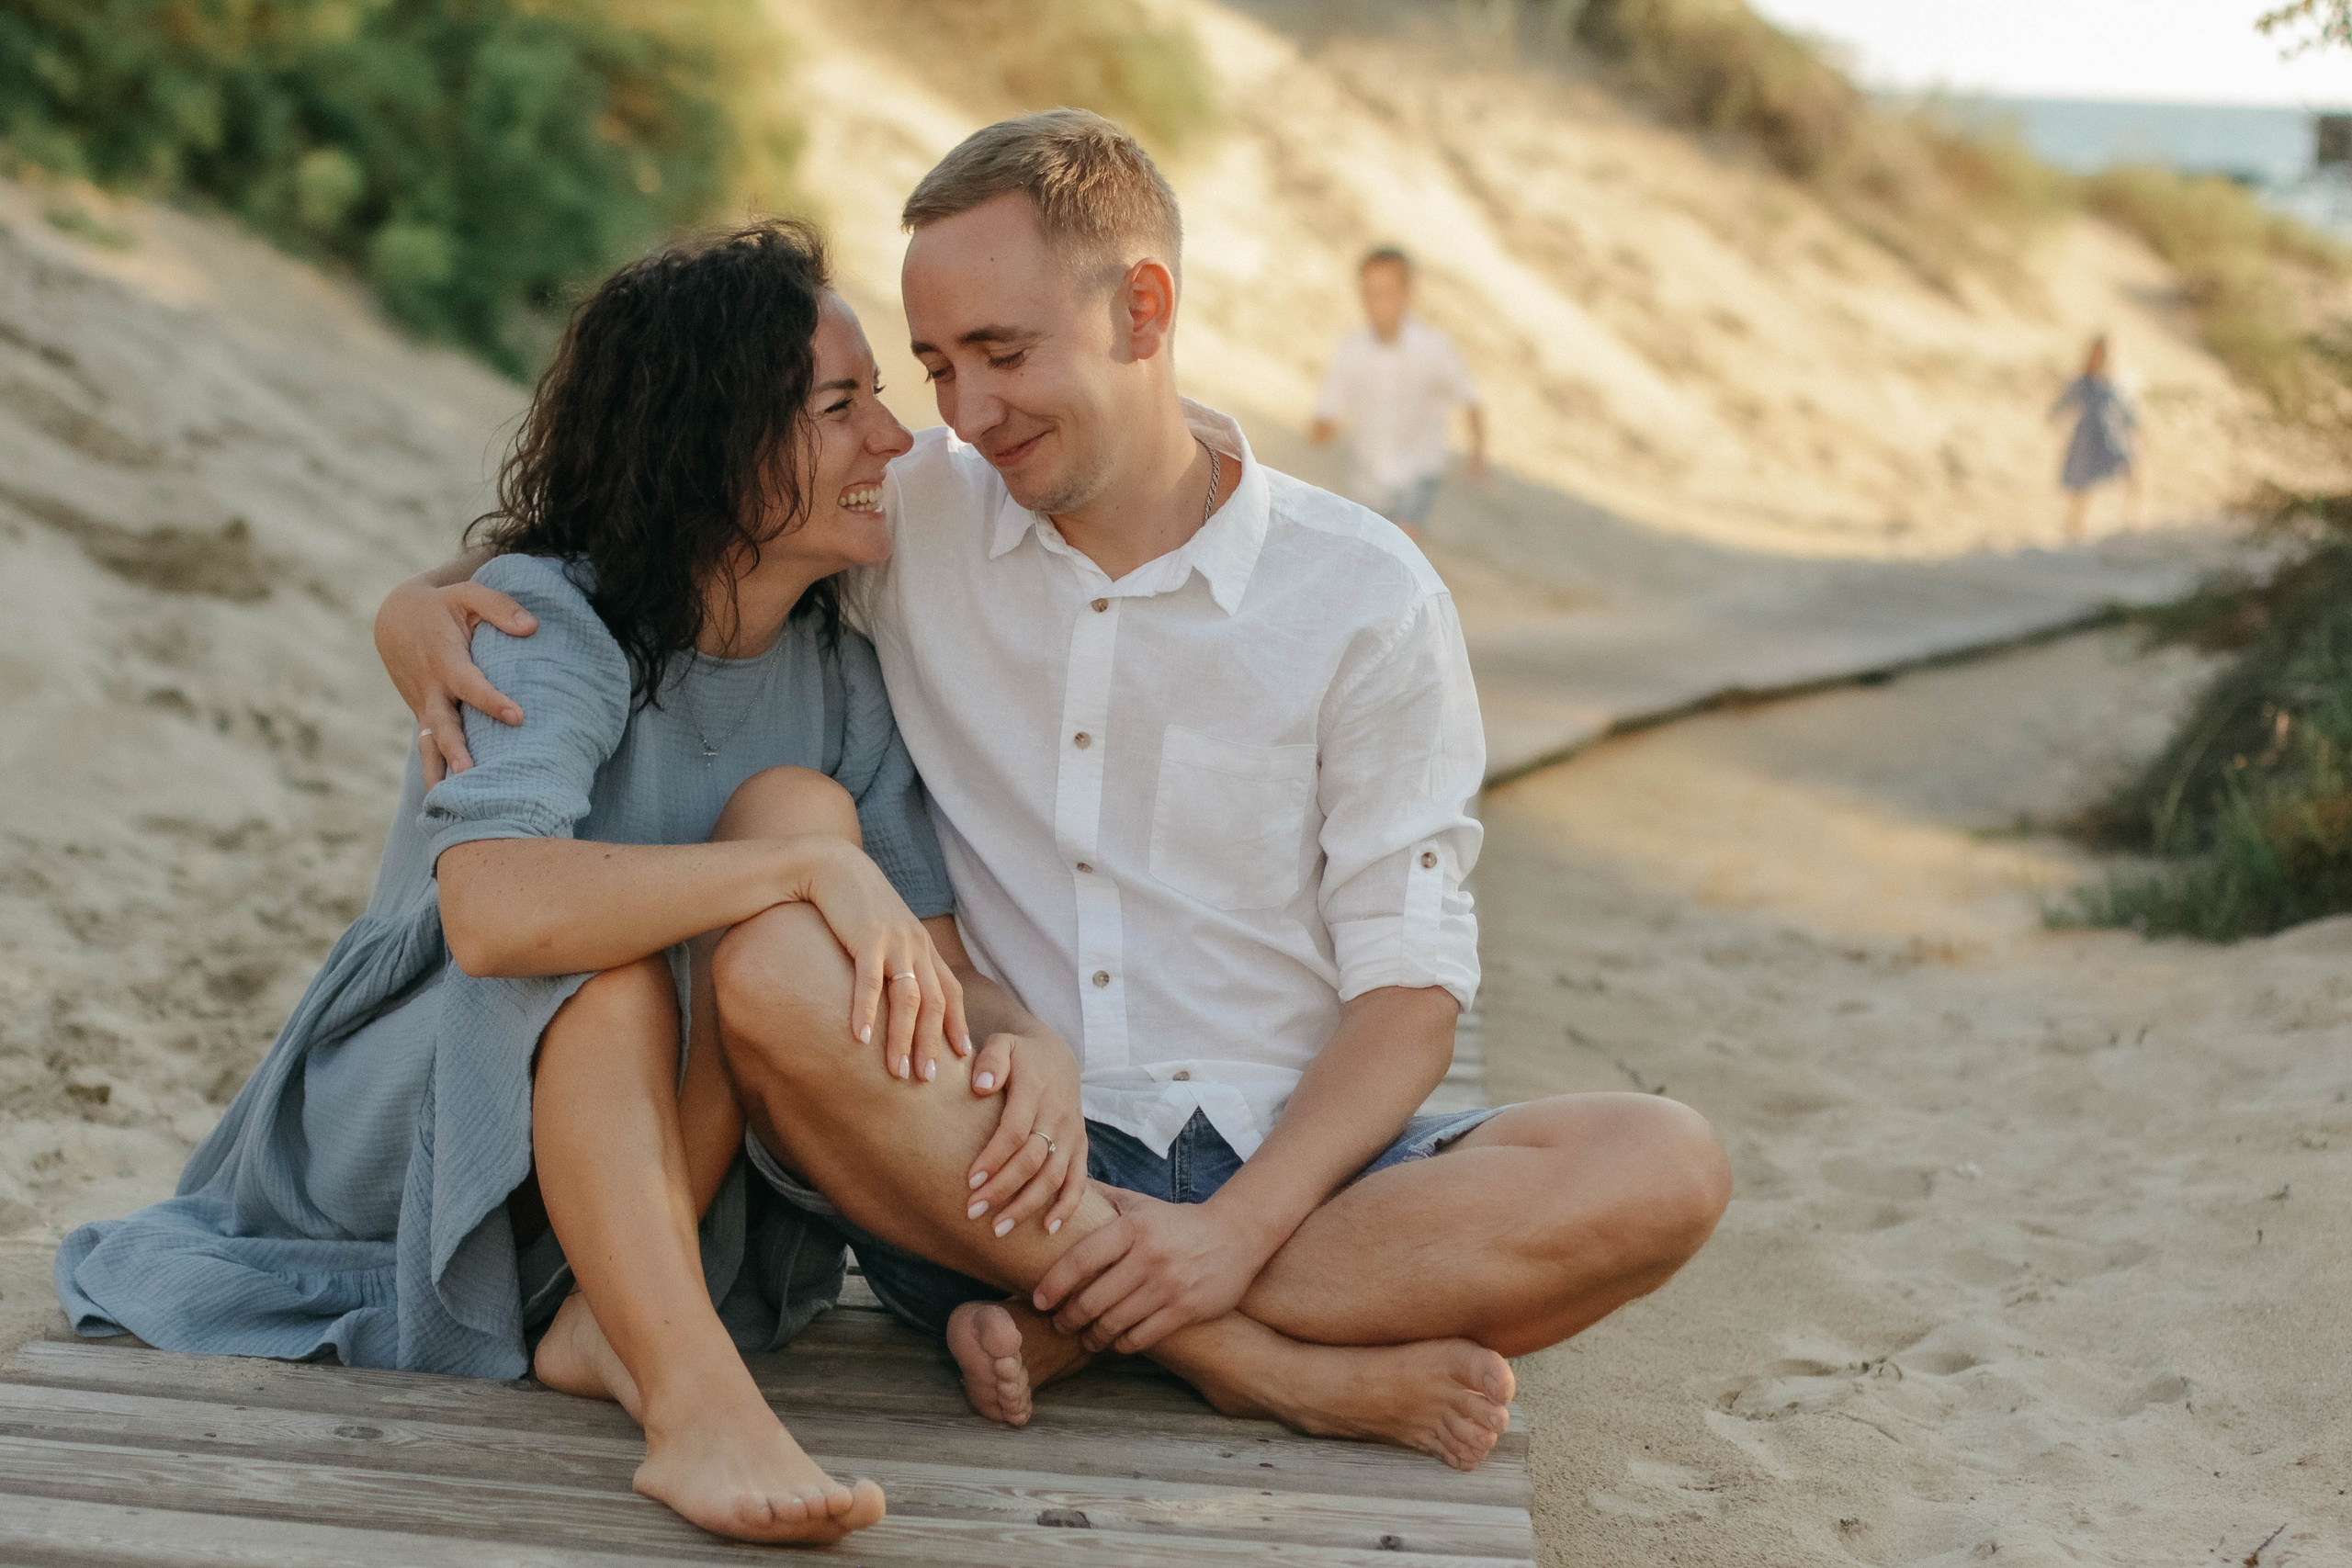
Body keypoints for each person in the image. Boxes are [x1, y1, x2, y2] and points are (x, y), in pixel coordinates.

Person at [380, 111, 1732, 1474]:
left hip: (1295, 1172)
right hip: (970, 1157)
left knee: (1667, 1164)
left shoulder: (1366, 594)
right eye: (936, 366)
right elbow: (661, 515)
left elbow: (1410, 997)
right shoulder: (912, 513)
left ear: (1142, 309)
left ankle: (1086, 1313)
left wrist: (1231, 1233)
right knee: (773, 963)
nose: (963, 414)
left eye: (1004, 354)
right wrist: (411, 607)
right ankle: (1251, 1362)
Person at [52, 220, 1061, 1546]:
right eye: (841, 403)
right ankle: (692, 1399)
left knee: (796, 810)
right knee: (621, 964)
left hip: (664, 1154)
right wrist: (808, 870)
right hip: (426, 1106)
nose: (892, 437)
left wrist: (1029, 1039)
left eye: (878, 395)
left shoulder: (837, 675)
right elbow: (496, 915)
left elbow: (920, 961)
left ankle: (614, 1311)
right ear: (713, 446)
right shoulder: (546, 624)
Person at [1309, 246, 1486, 542]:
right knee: (1370, 555)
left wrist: (1477, 453)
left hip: (1418, 474)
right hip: (1367, 477)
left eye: (1386, 293)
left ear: (1406, 294)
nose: (1377, 304)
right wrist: (1322, 429)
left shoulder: (1433, 347)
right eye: (1369, 294)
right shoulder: (1351, 349)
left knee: (1401, 550)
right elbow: (1328, 409)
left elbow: (1469, 399)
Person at [2052, 333, 2140, 542]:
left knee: (2132, 470)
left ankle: (2131, 520)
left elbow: (2127, 412)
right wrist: (2055, 416)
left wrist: (2135, 429)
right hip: (2087, 439)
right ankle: (2073, 527)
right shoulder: (2083, 382)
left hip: (2112, 437)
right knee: (2082, 484)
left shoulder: (2114, 385)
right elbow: (2063, 403)